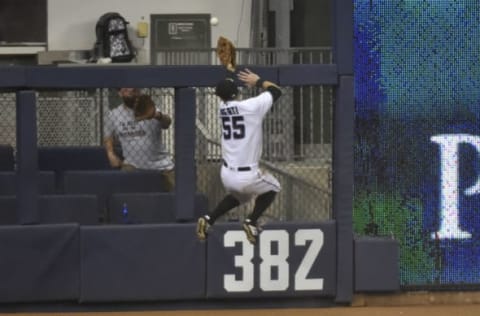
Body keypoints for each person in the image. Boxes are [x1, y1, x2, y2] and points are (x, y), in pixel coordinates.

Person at [196, 67, 282, 245]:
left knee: (241, 197)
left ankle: (209, 218)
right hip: (247, 175)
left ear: (220, 97)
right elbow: (276, 90)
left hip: (227, 175)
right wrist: (257, 81)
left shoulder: (222, 108)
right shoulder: (251, 107)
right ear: (236, 93)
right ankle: (251, 222)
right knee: (274, 187)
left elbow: (228, 96)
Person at [103, 87, 175, 191]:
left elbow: (167, 123)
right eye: (126, 88)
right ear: (120, 93)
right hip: (132, 165)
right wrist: (110, 154)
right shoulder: (114, 114)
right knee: (121, 191)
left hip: (161, 164)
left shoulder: (149, 107)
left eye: (134, 88)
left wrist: (157, 115)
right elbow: (108, 136)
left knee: (180, 193)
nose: (131, 89)